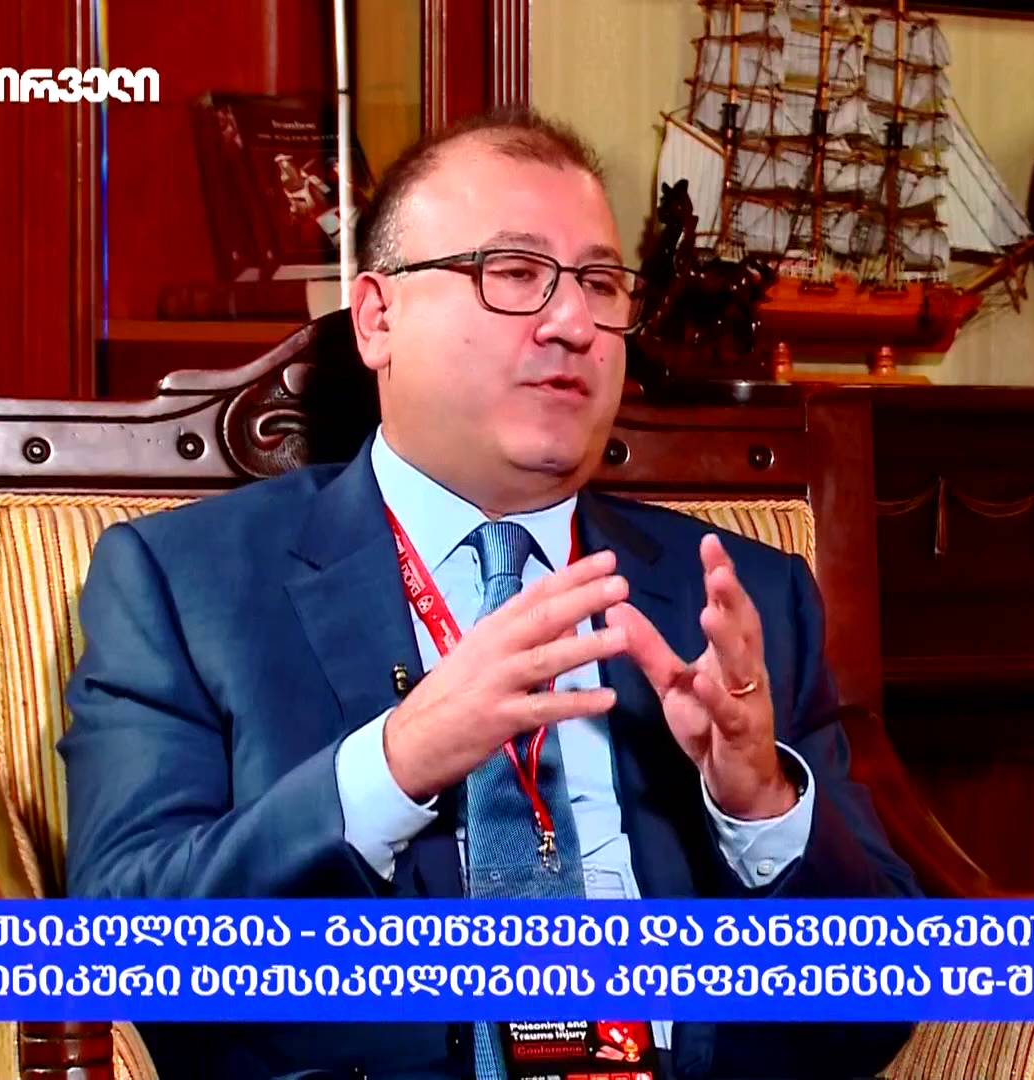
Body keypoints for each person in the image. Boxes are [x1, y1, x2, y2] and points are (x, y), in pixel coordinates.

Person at [59, 106, 921, 1080]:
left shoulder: (740, 599)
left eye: (601, 284)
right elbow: (113, 956)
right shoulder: (183, 584)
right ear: (378, 318)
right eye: (511, 273)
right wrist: (393, 764)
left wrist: (760, 802)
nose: (572, 323)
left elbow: (882, 1010)